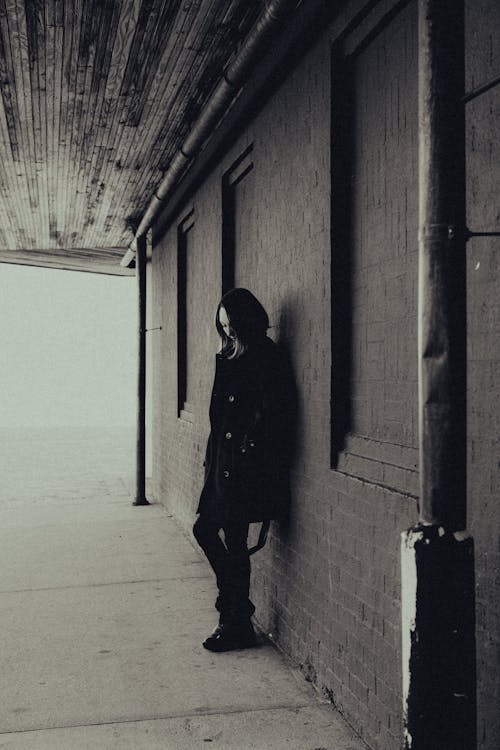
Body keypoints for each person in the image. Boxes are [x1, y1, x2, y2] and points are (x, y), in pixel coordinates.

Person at [193, 288, 295, 652]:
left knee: (230, 540)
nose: (227, 330)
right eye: (221, 324)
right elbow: (218, 417)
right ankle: (237, 614)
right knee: (208, 532)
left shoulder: (268, 356)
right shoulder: (229, 357)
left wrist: (246, 449)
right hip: (223, 465)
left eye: (230, 322)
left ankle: (234, 619)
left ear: (245, 320)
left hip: (245, 469)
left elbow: (274, 414)